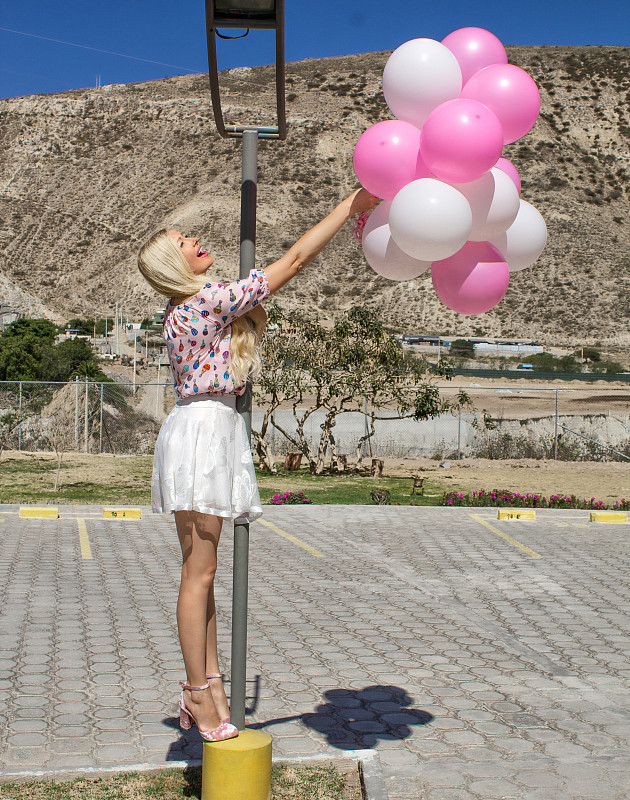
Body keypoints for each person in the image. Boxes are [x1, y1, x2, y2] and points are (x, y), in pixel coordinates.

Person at [137, 187, 377, 742]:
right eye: (184, 241)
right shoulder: (205, 301)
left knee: (204, 572)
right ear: (176, 262)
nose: (196, 240)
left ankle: (210, 683)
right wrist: (348, 206)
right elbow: (294, 260)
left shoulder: (185, 308)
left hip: (200, 426)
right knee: (199, 574)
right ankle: (198, 692)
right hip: (204, 431)